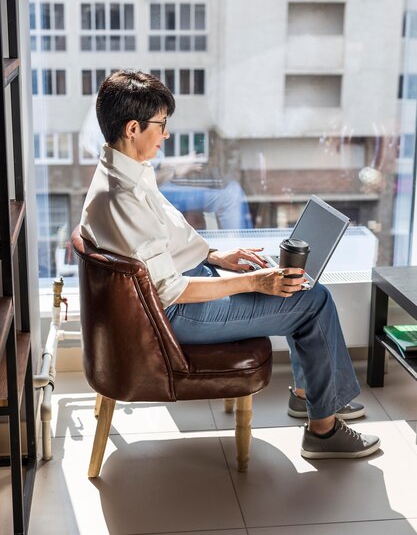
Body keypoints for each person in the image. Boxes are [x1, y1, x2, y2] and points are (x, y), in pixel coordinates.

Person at [80, 69, 380, 459]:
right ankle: (323, 432)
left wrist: (214, 256)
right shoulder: (122, 197)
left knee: (293, 285)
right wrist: (256, 282)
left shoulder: (122, 170)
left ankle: (311, 396)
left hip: (178, 291)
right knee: (311, 298)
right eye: (161, 125)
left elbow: (164, 231)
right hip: (175, 314)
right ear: (133, 127)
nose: (166, 134)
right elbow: (170, 290)